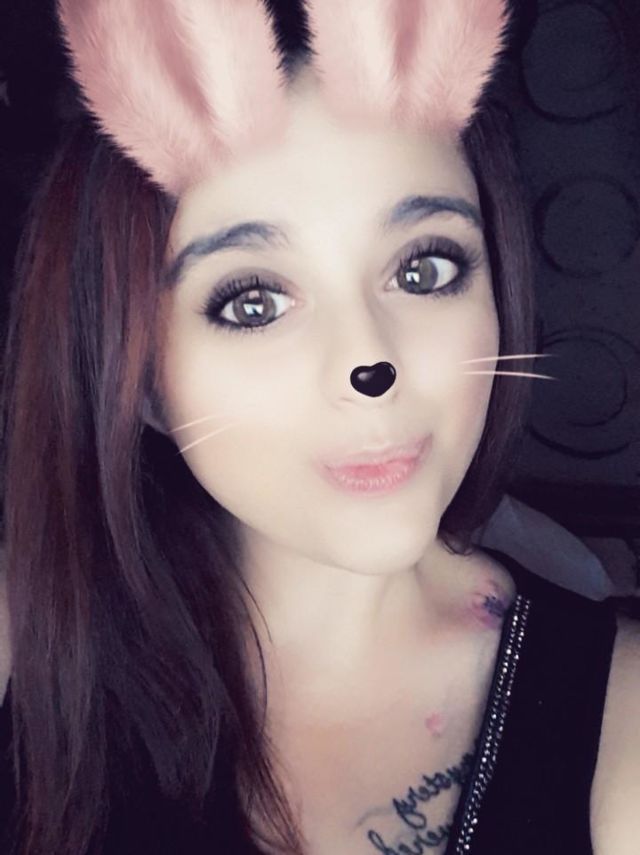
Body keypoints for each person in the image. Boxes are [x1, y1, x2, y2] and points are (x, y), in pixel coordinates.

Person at [0, 1, 638, 854]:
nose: (369, 360)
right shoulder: (27, 642)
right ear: (138, 377)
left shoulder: (622, 721)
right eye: (253, 302)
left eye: (424, 268)